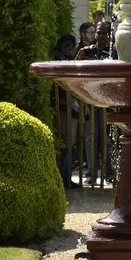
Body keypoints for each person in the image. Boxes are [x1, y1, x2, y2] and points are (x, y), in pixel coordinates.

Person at [75, 21, 115, 183]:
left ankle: (109, 173)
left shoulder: (113, 53)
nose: (101, 36)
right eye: (98, 32)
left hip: (108, 102)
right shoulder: (87, 51)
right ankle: (92, 173)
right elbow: (74, 70)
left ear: (109, 34)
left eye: (104, 33)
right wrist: (79, 58)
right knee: (90, 138)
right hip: (90, 102)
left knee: (107, 139)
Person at [51, 34, 79, 188]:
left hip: (68, 106)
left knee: (69, 142)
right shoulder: (58, 58)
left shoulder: (60, 57)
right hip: (63, 106)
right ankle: (63, 178)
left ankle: (65, 177)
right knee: (66, 143)